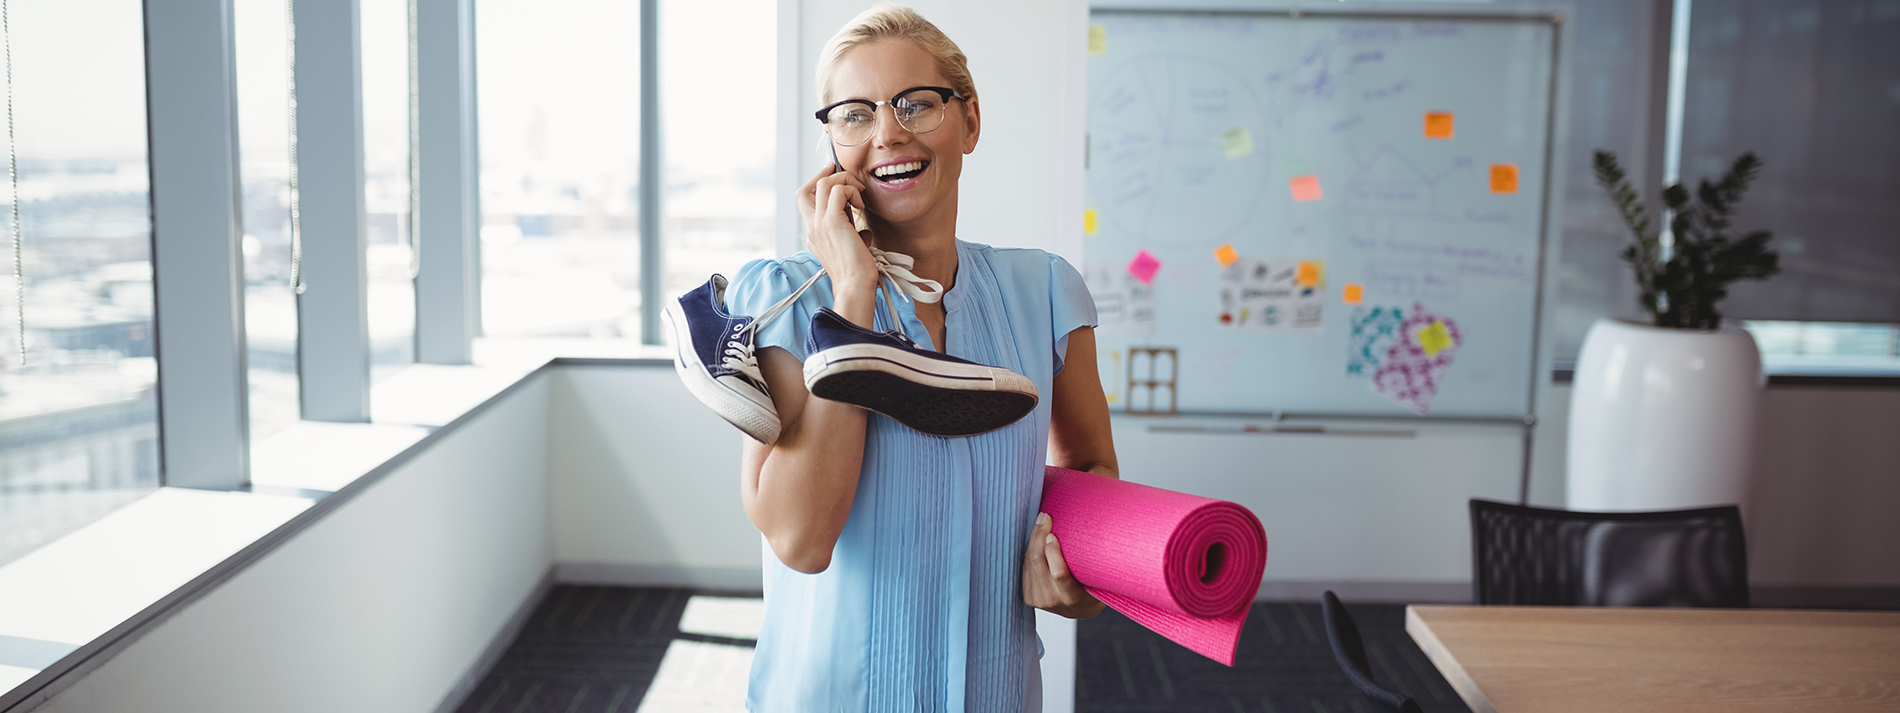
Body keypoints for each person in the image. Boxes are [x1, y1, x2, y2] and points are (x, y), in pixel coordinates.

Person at [724, 5, 1119, 711]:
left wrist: (1079, 572)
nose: (888, 134)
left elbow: (1090, 472)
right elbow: (801, 537)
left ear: (969, 120)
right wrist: (851, 292)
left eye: (916, 103)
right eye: (854, 113)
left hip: (993, 689)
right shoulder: (782, 296)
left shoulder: (1045, 291)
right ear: (832, 146)